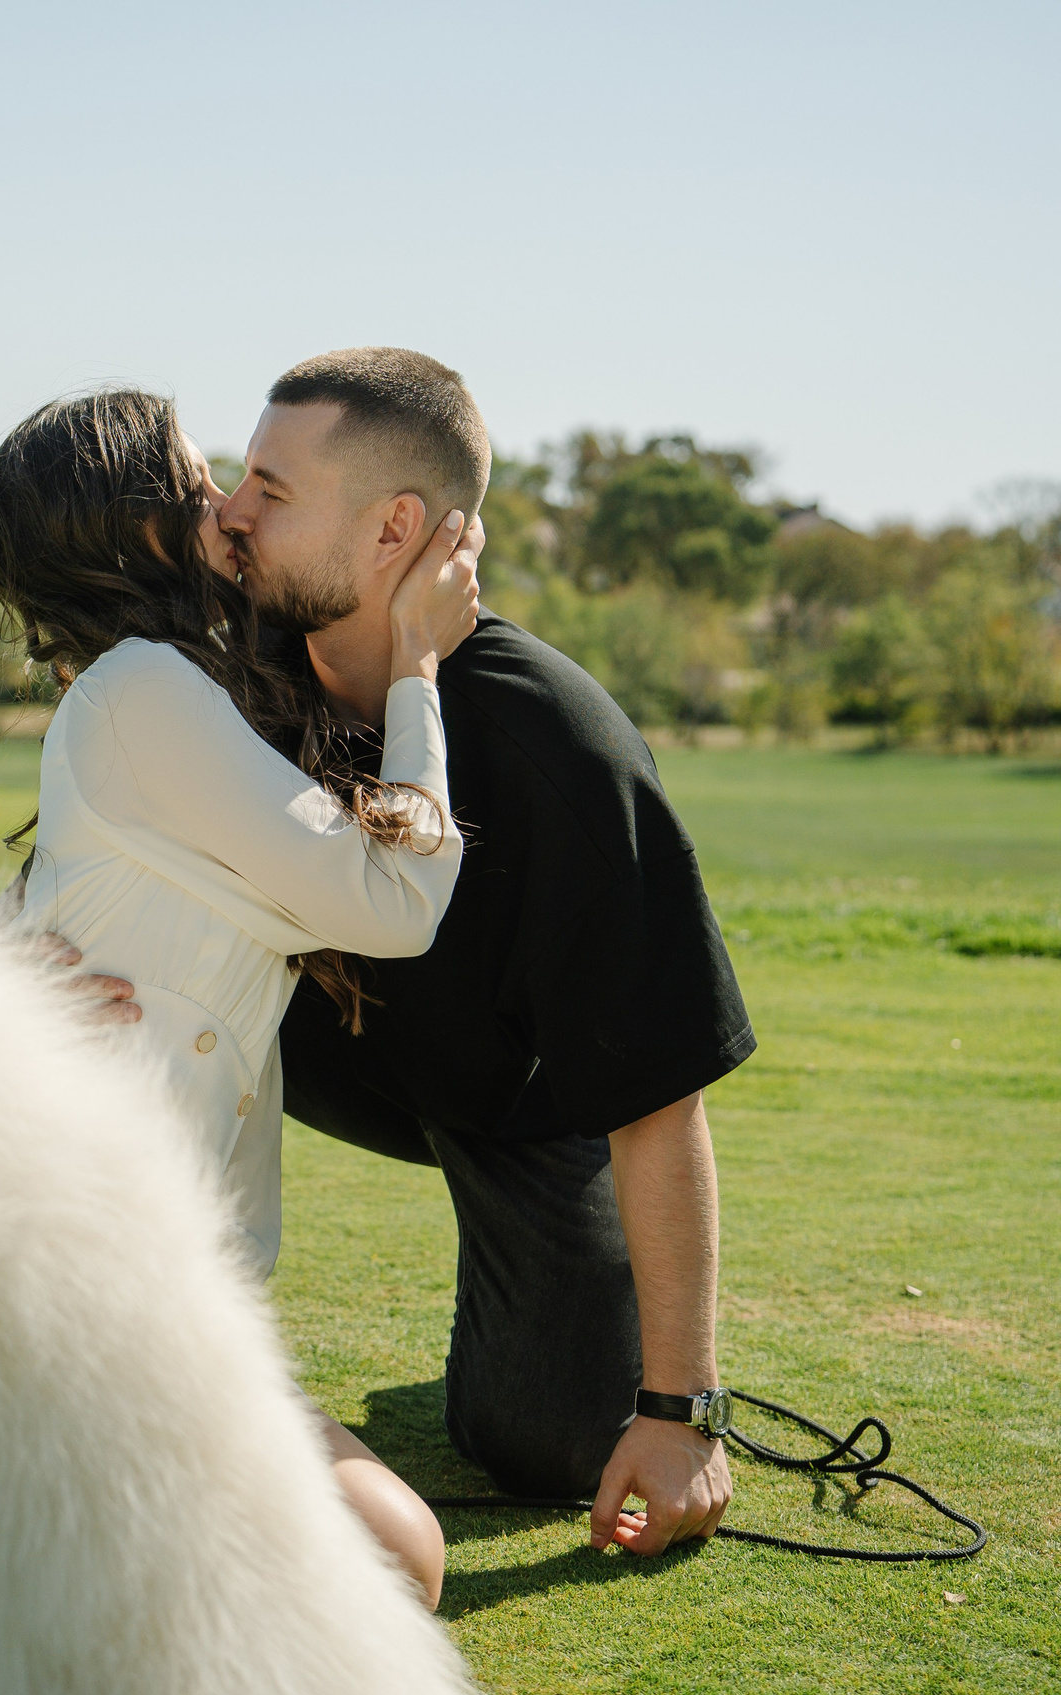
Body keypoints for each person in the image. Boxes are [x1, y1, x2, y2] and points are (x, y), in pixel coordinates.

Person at [96, 347, 756, 1562]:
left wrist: (682, 1413)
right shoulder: (217, 677)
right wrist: (29, 961)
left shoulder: (560, 742)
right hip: (315, 1046)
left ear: (396, 527)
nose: (225, 512)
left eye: (268, 489)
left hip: (519, 1105)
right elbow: (89, 820)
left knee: (541, 1443)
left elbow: (660, 1092)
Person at [0, 387, 485, 1607]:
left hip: (153, 1288)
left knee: (388, 1562)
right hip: (68, 1278)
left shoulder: (164, 690)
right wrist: (415, 669)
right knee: (387, 1563)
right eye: (200, 476)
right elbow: (392, 906)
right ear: (133, 524)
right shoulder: (141, 688)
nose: (226, 503)